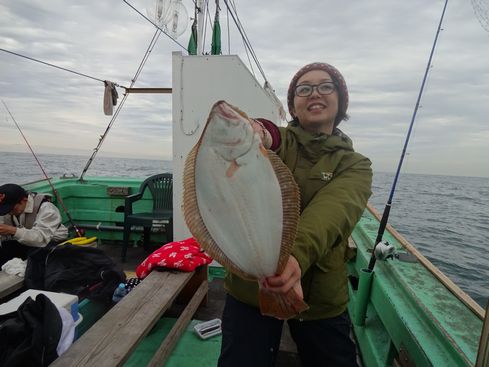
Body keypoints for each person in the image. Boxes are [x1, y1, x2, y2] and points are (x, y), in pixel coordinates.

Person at [218, 62, 373, 367]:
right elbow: (269, 134)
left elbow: (330, 214)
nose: (314, 93)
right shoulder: (275, 144)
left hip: (319, 297)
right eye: (304, 89)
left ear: (340, 100)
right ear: (293, 105)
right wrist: (256, 131)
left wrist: (294, 258)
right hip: (251, 287)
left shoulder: (356, 165)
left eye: (325, 86)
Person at [0, 183, 68, 266]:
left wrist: (12, 230)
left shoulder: (46, 208)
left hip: (51, 242)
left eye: (11, 208)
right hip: (25, 242)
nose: (9, 212)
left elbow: (41, 239)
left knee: (36, 257)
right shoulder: (7, 211)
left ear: (24, 200)